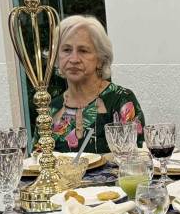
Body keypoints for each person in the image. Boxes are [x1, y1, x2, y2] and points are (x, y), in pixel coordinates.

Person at [49, 14, 145, 154]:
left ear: (100, 59)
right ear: (57, 57)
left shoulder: (121, 100)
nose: (74, 59)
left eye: (83, 51)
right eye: (66, 50)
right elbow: (36, 161)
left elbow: (136, 157)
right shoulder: (51, 110)